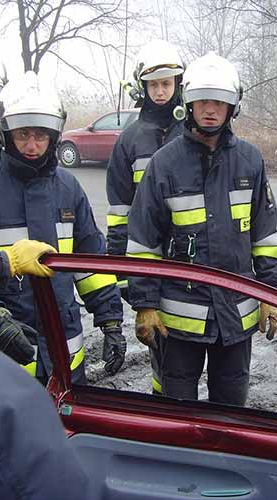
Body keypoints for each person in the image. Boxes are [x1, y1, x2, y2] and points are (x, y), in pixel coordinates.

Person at [127, 52, 277, 406]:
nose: (210, 110)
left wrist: (272, 296)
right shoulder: (164, 164)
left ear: (232, 107)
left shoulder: (250, 160)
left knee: (229, 415)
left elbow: (265, 235)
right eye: (203, 101)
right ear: (189, 104)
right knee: (177, 417)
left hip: (236, 318)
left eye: (219, 102)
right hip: (178, 321)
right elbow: (143, 241)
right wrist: (144, 304)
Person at [0, 71, 126, 384]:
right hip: (4, 355)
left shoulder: (69, 189)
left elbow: (91, 263)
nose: (32, 145)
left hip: (65, 356)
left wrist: (110, 321)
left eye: (40, 135)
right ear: (5, 132)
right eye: (23, 134)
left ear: (54, 135)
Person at [0, 240, 89, 499]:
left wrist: (110, 317)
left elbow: (90, 262)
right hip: (12, 370)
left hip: (63, 361)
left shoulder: (69, 197)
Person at [106, 39, 185, 393]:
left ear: (178, 85)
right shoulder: (130, 140)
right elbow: (119, 213)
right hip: (149, 261)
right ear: (143, 87)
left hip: (192, 261)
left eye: (167, 83)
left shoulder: (195, 130)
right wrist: (125, 278)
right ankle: (164, 411)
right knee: (163, 356)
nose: (160, 91)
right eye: (154, 84)